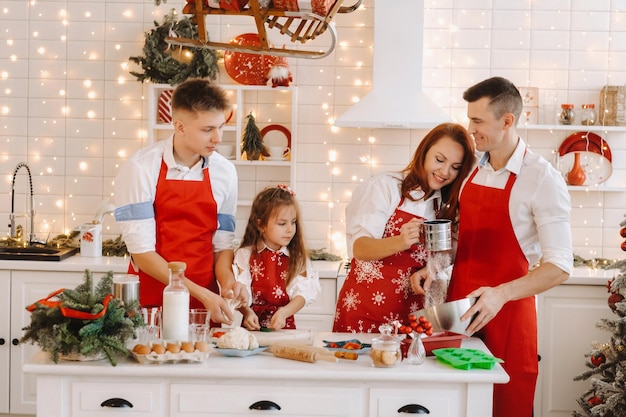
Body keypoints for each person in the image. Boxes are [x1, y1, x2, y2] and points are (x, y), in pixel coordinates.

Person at [447, 76, 573, 417]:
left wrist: (499, 294)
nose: (470, 128)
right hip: (459, 311)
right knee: (453, 404)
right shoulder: (473, 167)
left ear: (507, 121)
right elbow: (465, 236)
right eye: (469, 118)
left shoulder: (542, 179)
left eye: (477, 121)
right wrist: (434, 266)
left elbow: (560, 266)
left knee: (505, 406)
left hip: (507, 316)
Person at [113, 78, 247, 325]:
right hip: (152, 301)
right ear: (180, 126)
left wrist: (227, 282)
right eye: (207, 130)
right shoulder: (141, 168)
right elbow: (142, 253)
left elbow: (222, 244)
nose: (218, 138)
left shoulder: (225, 172)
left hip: (206, 304)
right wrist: (201, 293)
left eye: (221, 127)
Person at [333, 123, 476, 333]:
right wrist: (400, 241)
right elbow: (360, 249)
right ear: (424, 152)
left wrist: (432, 269)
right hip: (365, 312)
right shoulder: (385, 187)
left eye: (455, 167)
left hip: (413, 318)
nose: (445, 172)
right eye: (439, 159)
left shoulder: (444, 206)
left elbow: (451, 252)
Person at [233, 184, 320, 330]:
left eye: (293, 222)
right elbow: (240, 292)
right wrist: (247, 312)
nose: (290, 229)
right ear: (261, 225)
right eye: (282, 223)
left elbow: (303, 293)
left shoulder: (297, 257)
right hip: (252, 328)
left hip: (283, 326)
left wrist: (284, 312)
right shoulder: (245, 255)